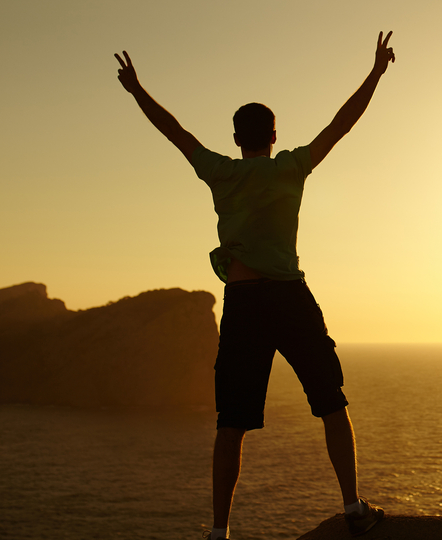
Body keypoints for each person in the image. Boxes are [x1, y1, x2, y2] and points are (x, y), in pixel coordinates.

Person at [115, 31, 396, 539]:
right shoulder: (291, 167)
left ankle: (219, 532)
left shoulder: (221, 173)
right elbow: (341, 124)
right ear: (273, 134)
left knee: (232, 422)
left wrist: (137, 90)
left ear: (236, 138)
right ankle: (354, 509)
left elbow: (174, 131)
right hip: (291, 298)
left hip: (244, 302)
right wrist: (375, 72)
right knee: (332, 403)